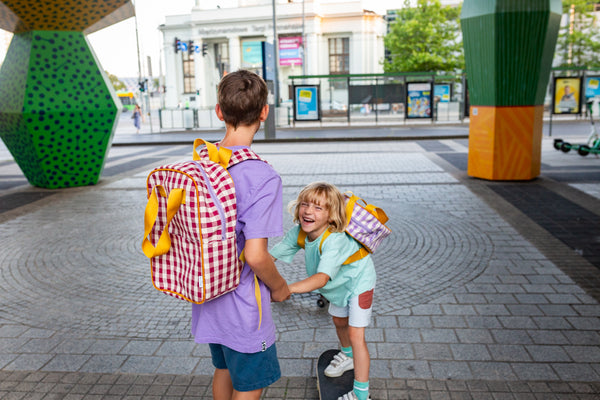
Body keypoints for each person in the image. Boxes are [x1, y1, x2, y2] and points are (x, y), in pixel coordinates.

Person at [191, 70, 290, 400]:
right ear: (264, 112)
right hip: (244, 306)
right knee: (249, 384)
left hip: (209, 298)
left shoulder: (202, 162)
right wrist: (280, 287)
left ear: (219, 112)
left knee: (223, 369)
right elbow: (255, 255)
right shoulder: (262, 176)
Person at [270, 182, 376, 400]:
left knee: (357, 335)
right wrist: (244, 272)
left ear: (332, 215)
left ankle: (361, 395)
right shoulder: (298, 233)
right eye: (305, 204)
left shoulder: (334, 239)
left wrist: (286, 289)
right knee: (339, 322)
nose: (308, 211)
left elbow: (321, 278)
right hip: (337, 287)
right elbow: (270, 257)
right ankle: (347, 357)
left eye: (318, 208)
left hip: (358, 283)